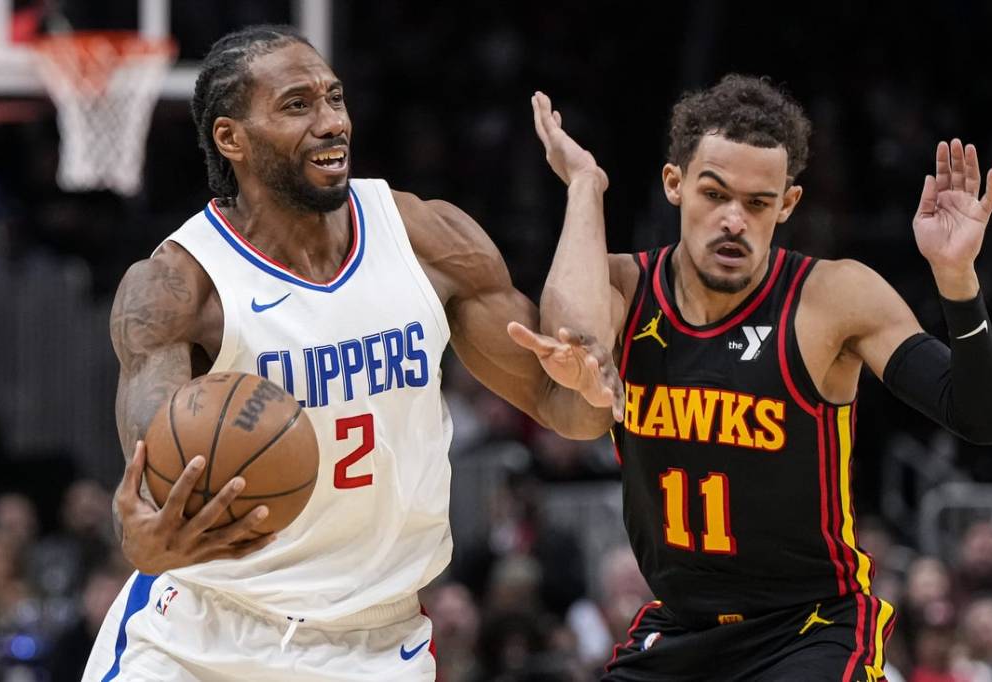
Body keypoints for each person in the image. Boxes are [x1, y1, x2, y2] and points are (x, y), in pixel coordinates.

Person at [83, 24, 618, 681]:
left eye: (334, 99)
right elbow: (148, 499)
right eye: (297, 105)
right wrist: (140, 531)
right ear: (232, 138)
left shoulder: (428, 239)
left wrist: (591, 391)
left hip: (373, 646)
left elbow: (566, 411)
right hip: (200, 639)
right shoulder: (178, 287)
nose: (332, 121)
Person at [510, 75, 992, 680]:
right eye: (714, 194)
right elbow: (573, 337)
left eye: (757, 203)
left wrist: (957, 282)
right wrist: (585, 184)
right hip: (681, 625)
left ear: (788, 205)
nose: (733, 220)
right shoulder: (625, 288)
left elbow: (981, 417)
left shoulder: (832, 298)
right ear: (674, 184)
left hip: (810, 627)